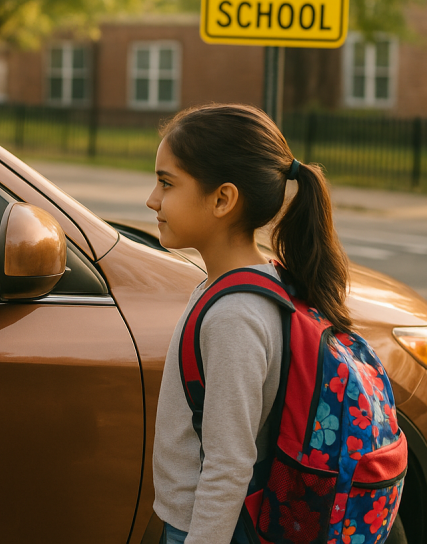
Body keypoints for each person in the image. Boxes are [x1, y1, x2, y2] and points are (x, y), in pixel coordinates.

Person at [146, 104, 350, 544]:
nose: (152, 200)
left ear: (222, 199)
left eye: (166, 182)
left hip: (209, 530)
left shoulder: (234, 316)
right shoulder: (245, 284)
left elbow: (229, 463)